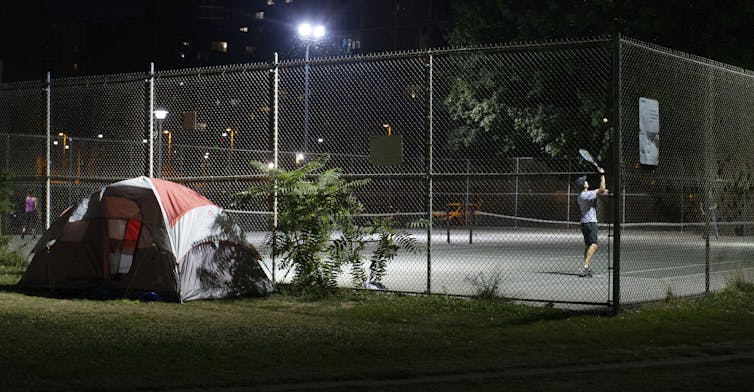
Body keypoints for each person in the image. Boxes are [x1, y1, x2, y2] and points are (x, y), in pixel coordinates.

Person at [575, 168, 608, 277]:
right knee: (594, 245)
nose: (587, 181)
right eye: (585, 181)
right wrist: (602, 175)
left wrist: (601, 191)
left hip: (584, 223)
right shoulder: (585, 195)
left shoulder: (581, 195)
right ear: (583, 186)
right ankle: (585, 267)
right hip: (590, 222)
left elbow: (600, 191)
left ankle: (586, 267)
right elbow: (601, 188)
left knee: (588, 245)